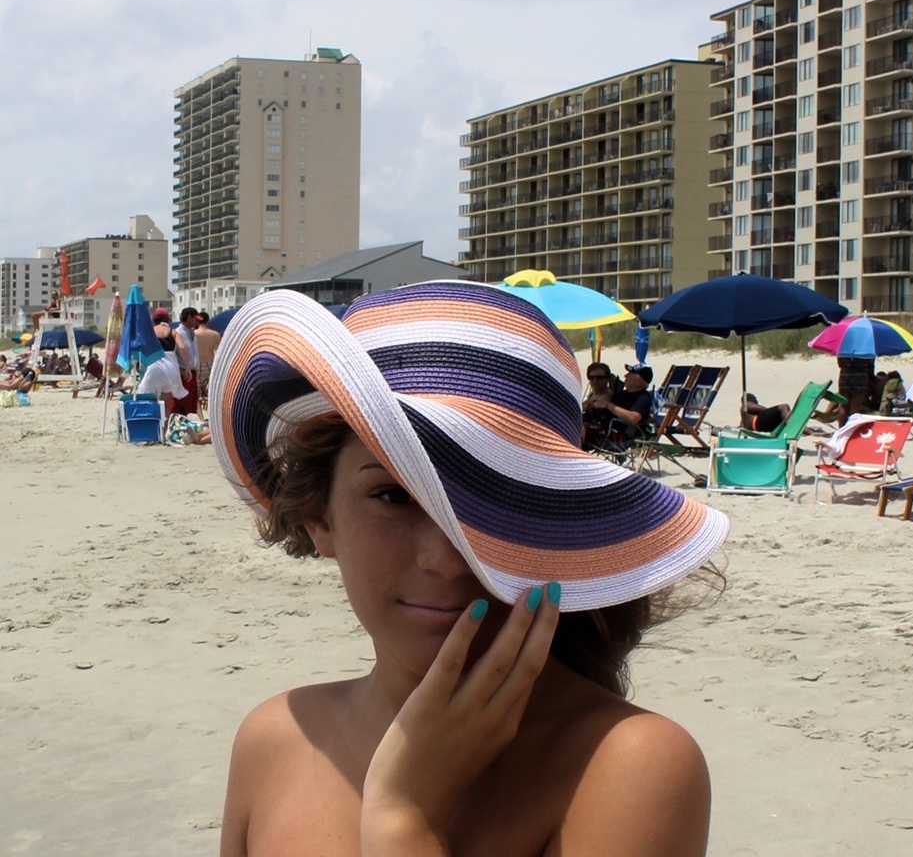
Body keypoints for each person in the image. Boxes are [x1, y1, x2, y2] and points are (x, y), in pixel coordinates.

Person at [211, 282, 729, 857]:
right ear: (318, 517)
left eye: (493, 502)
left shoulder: (631, 764)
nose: (444, 559)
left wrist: (404, 819)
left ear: (553, 528)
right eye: (393, 496)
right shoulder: (274, 739)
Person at [172, 307, 200, 417]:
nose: (197, 321)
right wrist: (181, 370)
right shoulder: (177, 333)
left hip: (191, 373)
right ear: (189, 318)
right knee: (179, 404)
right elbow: (173, 354)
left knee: (189, 405)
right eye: (195, 318)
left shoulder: (192, 334)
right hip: (182, 374)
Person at [193, 311, 221, 418]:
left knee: (196, 395)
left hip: (197, 365)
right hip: (211, 365)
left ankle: (201, 418)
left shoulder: (194, 334)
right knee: (212, 393)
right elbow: (219, 351)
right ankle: (213, 416)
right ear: (208, 321)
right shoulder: (215, 335)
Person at [836, 356, 876, 426]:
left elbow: (840, 364)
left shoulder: (843, 349)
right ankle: (852, 430)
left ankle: (841, 430)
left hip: (845, 378)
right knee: (855, 408)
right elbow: (870, 368)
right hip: (860, 378)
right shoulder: (867, 349)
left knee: (844, 407)